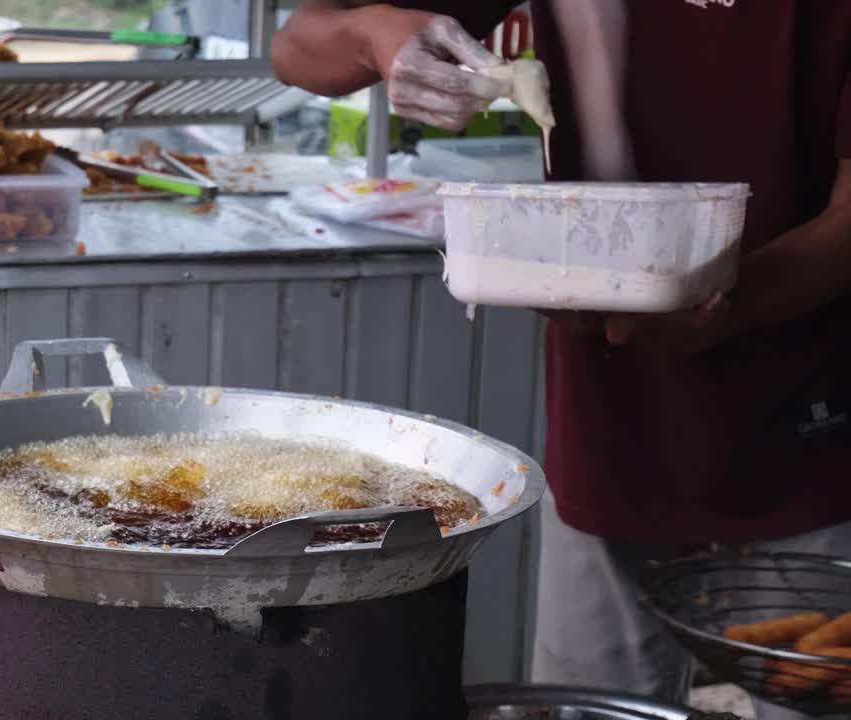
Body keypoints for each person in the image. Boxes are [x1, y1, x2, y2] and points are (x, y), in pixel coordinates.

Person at [271, 1, 851, 716]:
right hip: (615, 421)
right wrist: (379, 34)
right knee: (589, 700)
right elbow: (298, 48)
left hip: (812, 429)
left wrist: (715, 301)